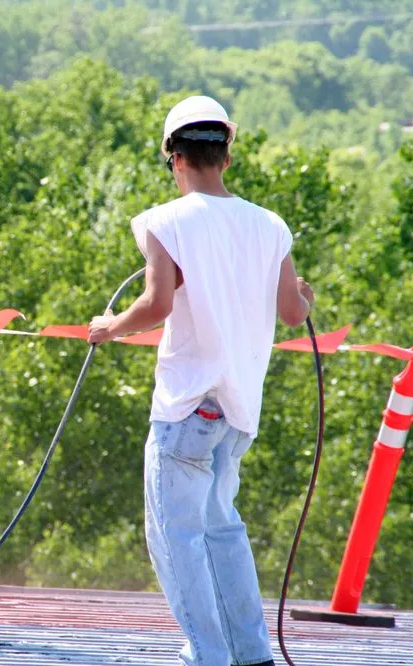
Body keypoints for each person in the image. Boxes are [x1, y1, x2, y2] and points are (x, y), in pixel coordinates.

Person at [87, 95, 315, 666]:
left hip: (187, 406)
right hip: (238, 411)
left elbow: (157, 301)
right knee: (222, 529)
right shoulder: (271, 226)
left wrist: (110, 328)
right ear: (227, 157)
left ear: (175, 158)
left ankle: (207, 656)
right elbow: (293, 313)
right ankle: (251, 653)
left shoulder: (166, 221)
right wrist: (306, 295)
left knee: (176, 537)